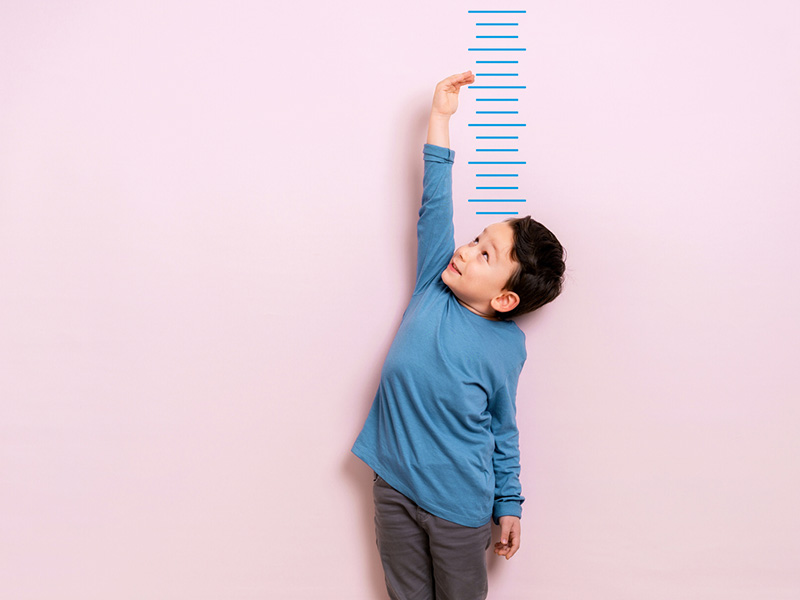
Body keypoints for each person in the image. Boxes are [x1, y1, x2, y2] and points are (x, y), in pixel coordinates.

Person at [351, 70, 566, 600]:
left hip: (459, 507)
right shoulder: (433, 285)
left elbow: (502, 426)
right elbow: (435, 202)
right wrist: (440, 119)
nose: (466, 250)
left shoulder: (504, 347)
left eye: (485, 254)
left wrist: (509, 502)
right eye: (476, 239)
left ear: (505, 299)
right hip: (393, 487)